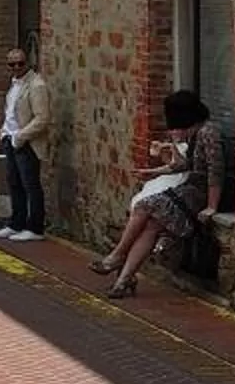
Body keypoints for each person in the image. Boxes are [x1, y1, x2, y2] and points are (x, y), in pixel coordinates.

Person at [92, 89, 224, 298]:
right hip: (188, 188)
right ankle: (123, 280)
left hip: (198, 193)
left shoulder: (208, 133)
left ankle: (117, 255)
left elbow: (215, 172)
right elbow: (183, 165)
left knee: (146, 206)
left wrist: (212, 206)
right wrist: (168, 150)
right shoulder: (192, 135)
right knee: (151, 226)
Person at [0, 45, 52, 239]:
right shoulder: (14, 84)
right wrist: (5, 133)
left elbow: (42, 118)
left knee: (30, 185)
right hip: (10, 139)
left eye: (20, 63)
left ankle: (35, 227)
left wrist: (20, 136)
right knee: (14, 183)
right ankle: (16, 222)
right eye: (11, 64)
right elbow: (11, 112)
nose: (16, 68)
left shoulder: (37, 85)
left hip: (27, 142)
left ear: (27, 63)